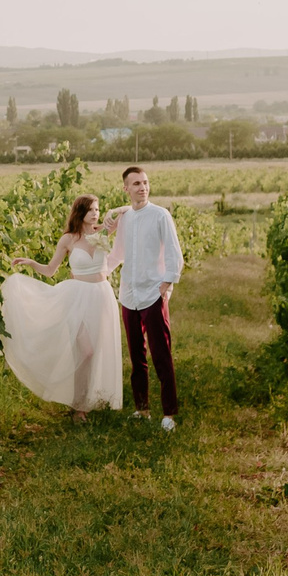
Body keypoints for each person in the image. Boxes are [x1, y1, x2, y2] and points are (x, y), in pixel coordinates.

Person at [1, 194, 125, 419]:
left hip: (102, 296)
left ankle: (86, 404)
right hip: (76, 298)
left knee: (98, 351)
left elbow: (127, 211)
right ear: (80, 213)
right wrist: (31, 263)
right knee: (85, 351)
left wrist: (109, 214)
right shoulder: (68, 239)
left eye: (97, 209)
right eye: (90, 210)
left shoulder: (103, 232)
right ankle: (77, 404)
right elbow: (50, 270)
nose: (95, 213)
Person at [110, 165, 183, 430]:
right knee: (136, 356)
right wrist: (98, 274)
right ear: (126, 189)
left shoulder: (160, 215)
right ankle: (142, 409)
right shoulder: (125, 218)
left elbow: (174, 252)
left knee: (161, 353)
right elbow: (117, 253)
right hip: (129, 294)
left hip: (153, 292)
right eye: (137, 183)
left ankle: (169, 413)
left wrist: (166, 282)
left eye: (145, 182)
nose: (143, 187)